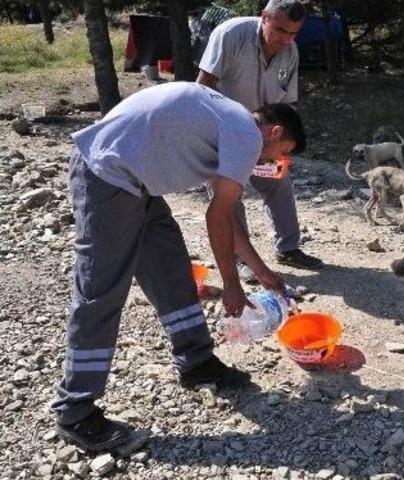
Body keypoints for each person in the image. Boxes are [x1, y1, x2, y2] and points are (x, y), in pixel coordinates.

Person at [50, 81, 305, 452]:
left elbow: (227, 215)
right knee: (100, 292)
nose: (269, 163)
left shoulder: (229, 121)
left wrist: (262, 273)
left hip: (136, 184)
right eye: (278, 154)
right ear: (275, 132)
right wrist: (231, 284)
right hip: (106, 177)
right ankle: (75, 411)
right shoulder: (245, 135)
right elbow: (217, 216)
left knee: (171, 269)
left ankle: (196, 360)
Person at [197, 0, 323, 278]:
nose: (286, 39)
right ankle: (239, 258)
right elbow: (203, 87)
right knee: (228, 197)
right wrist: (214, 136)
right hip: (225, 134)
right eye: (280, 30)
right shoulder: (231, 34)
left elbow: (288, 103)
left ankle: (288, 249)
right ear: (263, 17)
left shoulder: (291, 51)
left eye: (294, 33)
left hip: (266, 137)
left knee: (280, 182)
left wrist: (283, 145)